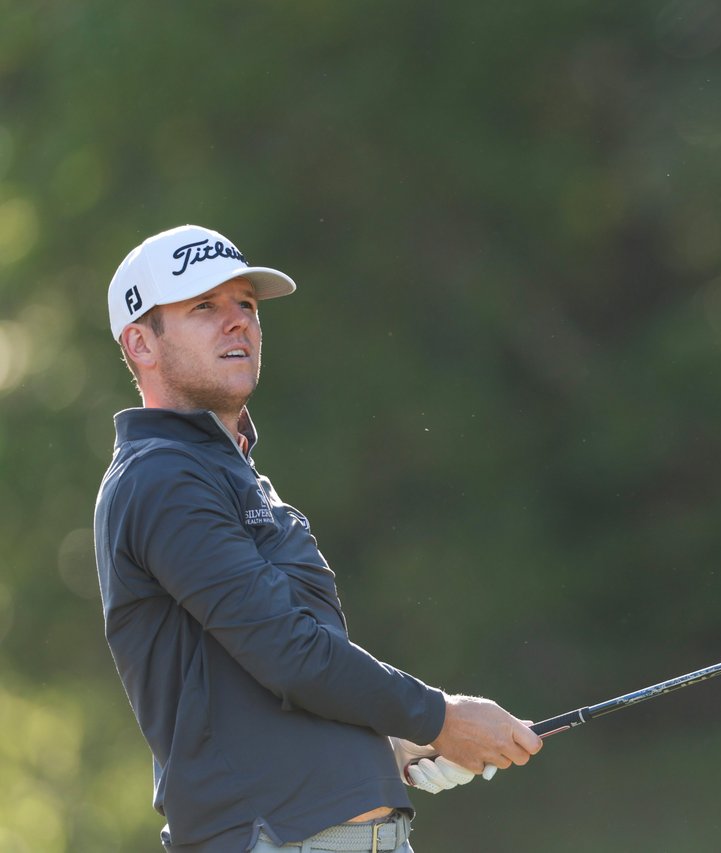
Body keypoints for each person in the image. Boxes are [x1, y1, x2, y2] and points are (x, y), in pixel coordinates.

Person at [93, 224, 542, 852]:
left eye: (245, 305)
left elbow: (259, 680)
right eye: (203, 307)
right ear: (140, 342)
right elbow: (286, 651)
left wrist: (387, 743)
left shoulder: (235, 473)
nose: (237, 323)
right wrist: (439, 718)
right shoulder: (160, 478)